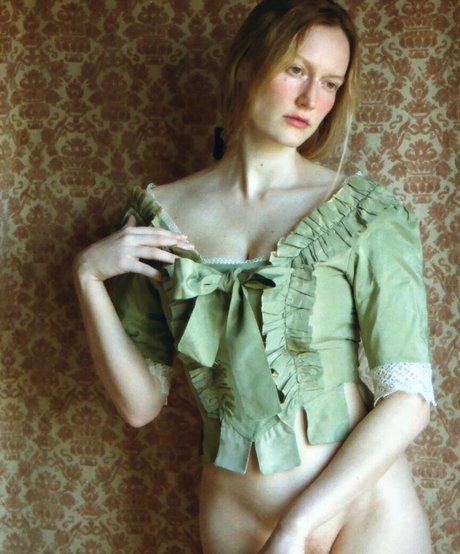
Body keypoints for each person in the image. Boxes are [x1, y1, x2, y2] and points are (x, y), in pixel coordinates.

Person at [73, 1, 436, 552]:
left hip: (366, 512)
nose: (311, 100)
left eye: (330, 83)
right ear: (247, 66)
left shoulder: (365, 213)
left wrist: (295, 528)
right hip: (233, 517)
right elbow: (140, 406)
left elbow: (409, 400)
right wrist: (87, 279)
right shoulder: (158, 217)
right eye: (296, 70)